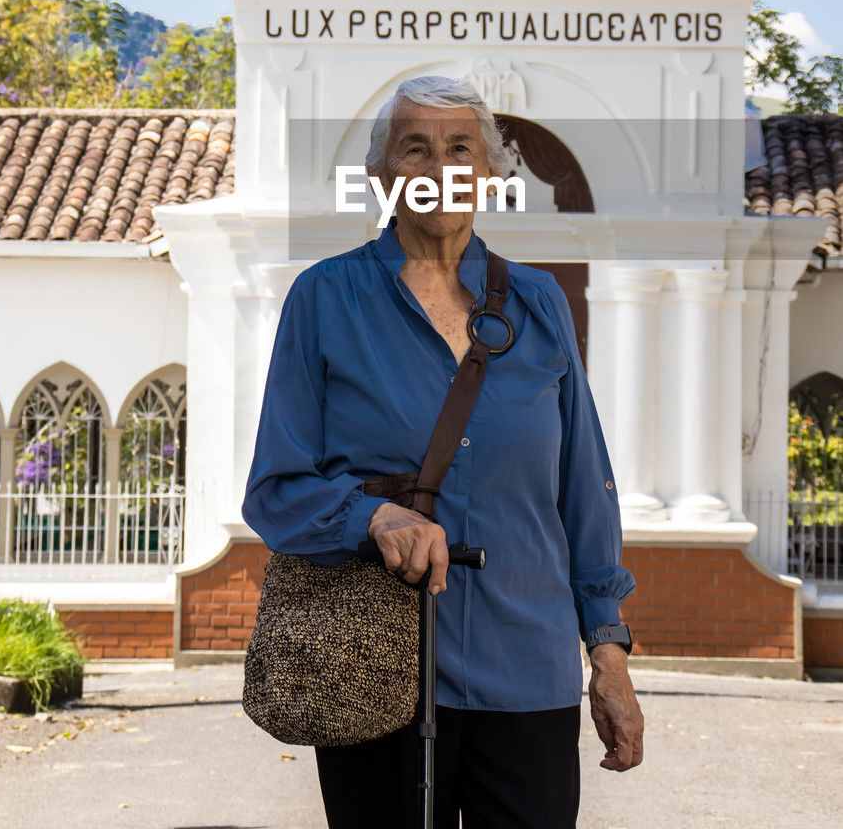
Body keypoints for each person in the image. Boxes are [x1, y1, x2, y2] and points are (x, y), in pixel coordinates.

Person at [242, 75, 644, 829]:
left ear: (490, 176)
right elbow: (275, 488)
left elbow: (582, 486)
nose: (438, 169)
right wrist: (371, 517)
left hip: (525, 664)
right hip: (374, 665)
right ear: (381, 176)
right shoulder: (324, 299)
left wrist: (608, 653)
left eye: (459, 148)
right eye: (414, 149)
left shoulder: (538, 302)